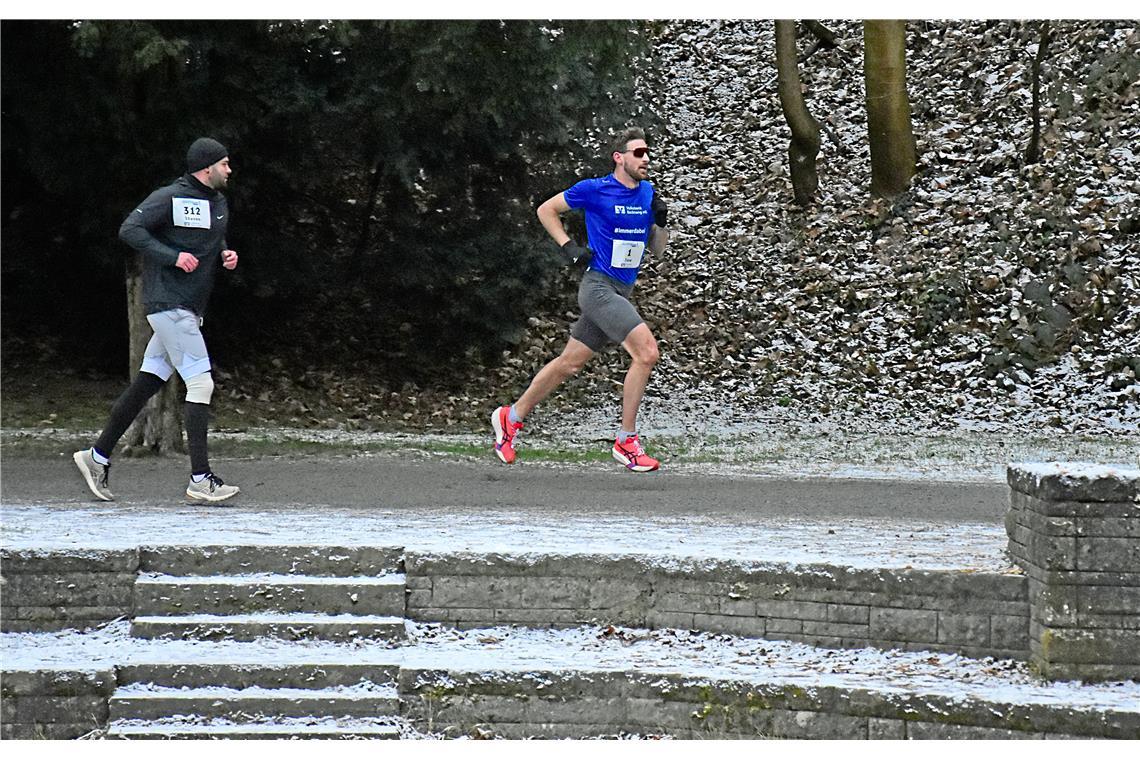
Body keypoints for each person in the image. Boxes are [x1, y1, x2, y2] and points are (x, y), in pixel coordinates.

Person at [73, 137, 241, 503]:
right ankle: (200, 479)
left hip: (189, 306)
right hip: (169, 303)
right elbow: (130, 230)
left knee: (147, 383)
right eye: (224, 164)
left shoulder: (218, 203)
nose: (230, 170)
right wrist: (171, 256)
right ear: (207, 167)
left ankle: (96, 457)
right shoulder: (169, 197)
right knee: (201, 384)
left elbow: (212, 239)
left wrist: (226, 253)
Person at [491, 127, 669, 472]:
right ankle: (626, 441)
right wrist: (568, 246)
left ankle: (510, 417)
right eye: (638, 153)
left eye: (647, 152)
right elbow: (546, 210)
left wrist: (660, 223)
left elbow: (657, 250)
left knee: (569, 364)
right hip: (598, 289)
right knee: (647, 353)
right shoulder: (594, 189)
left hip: (621, 290)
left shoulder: (647, 193)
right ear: (619, 158)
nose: (646, 158)